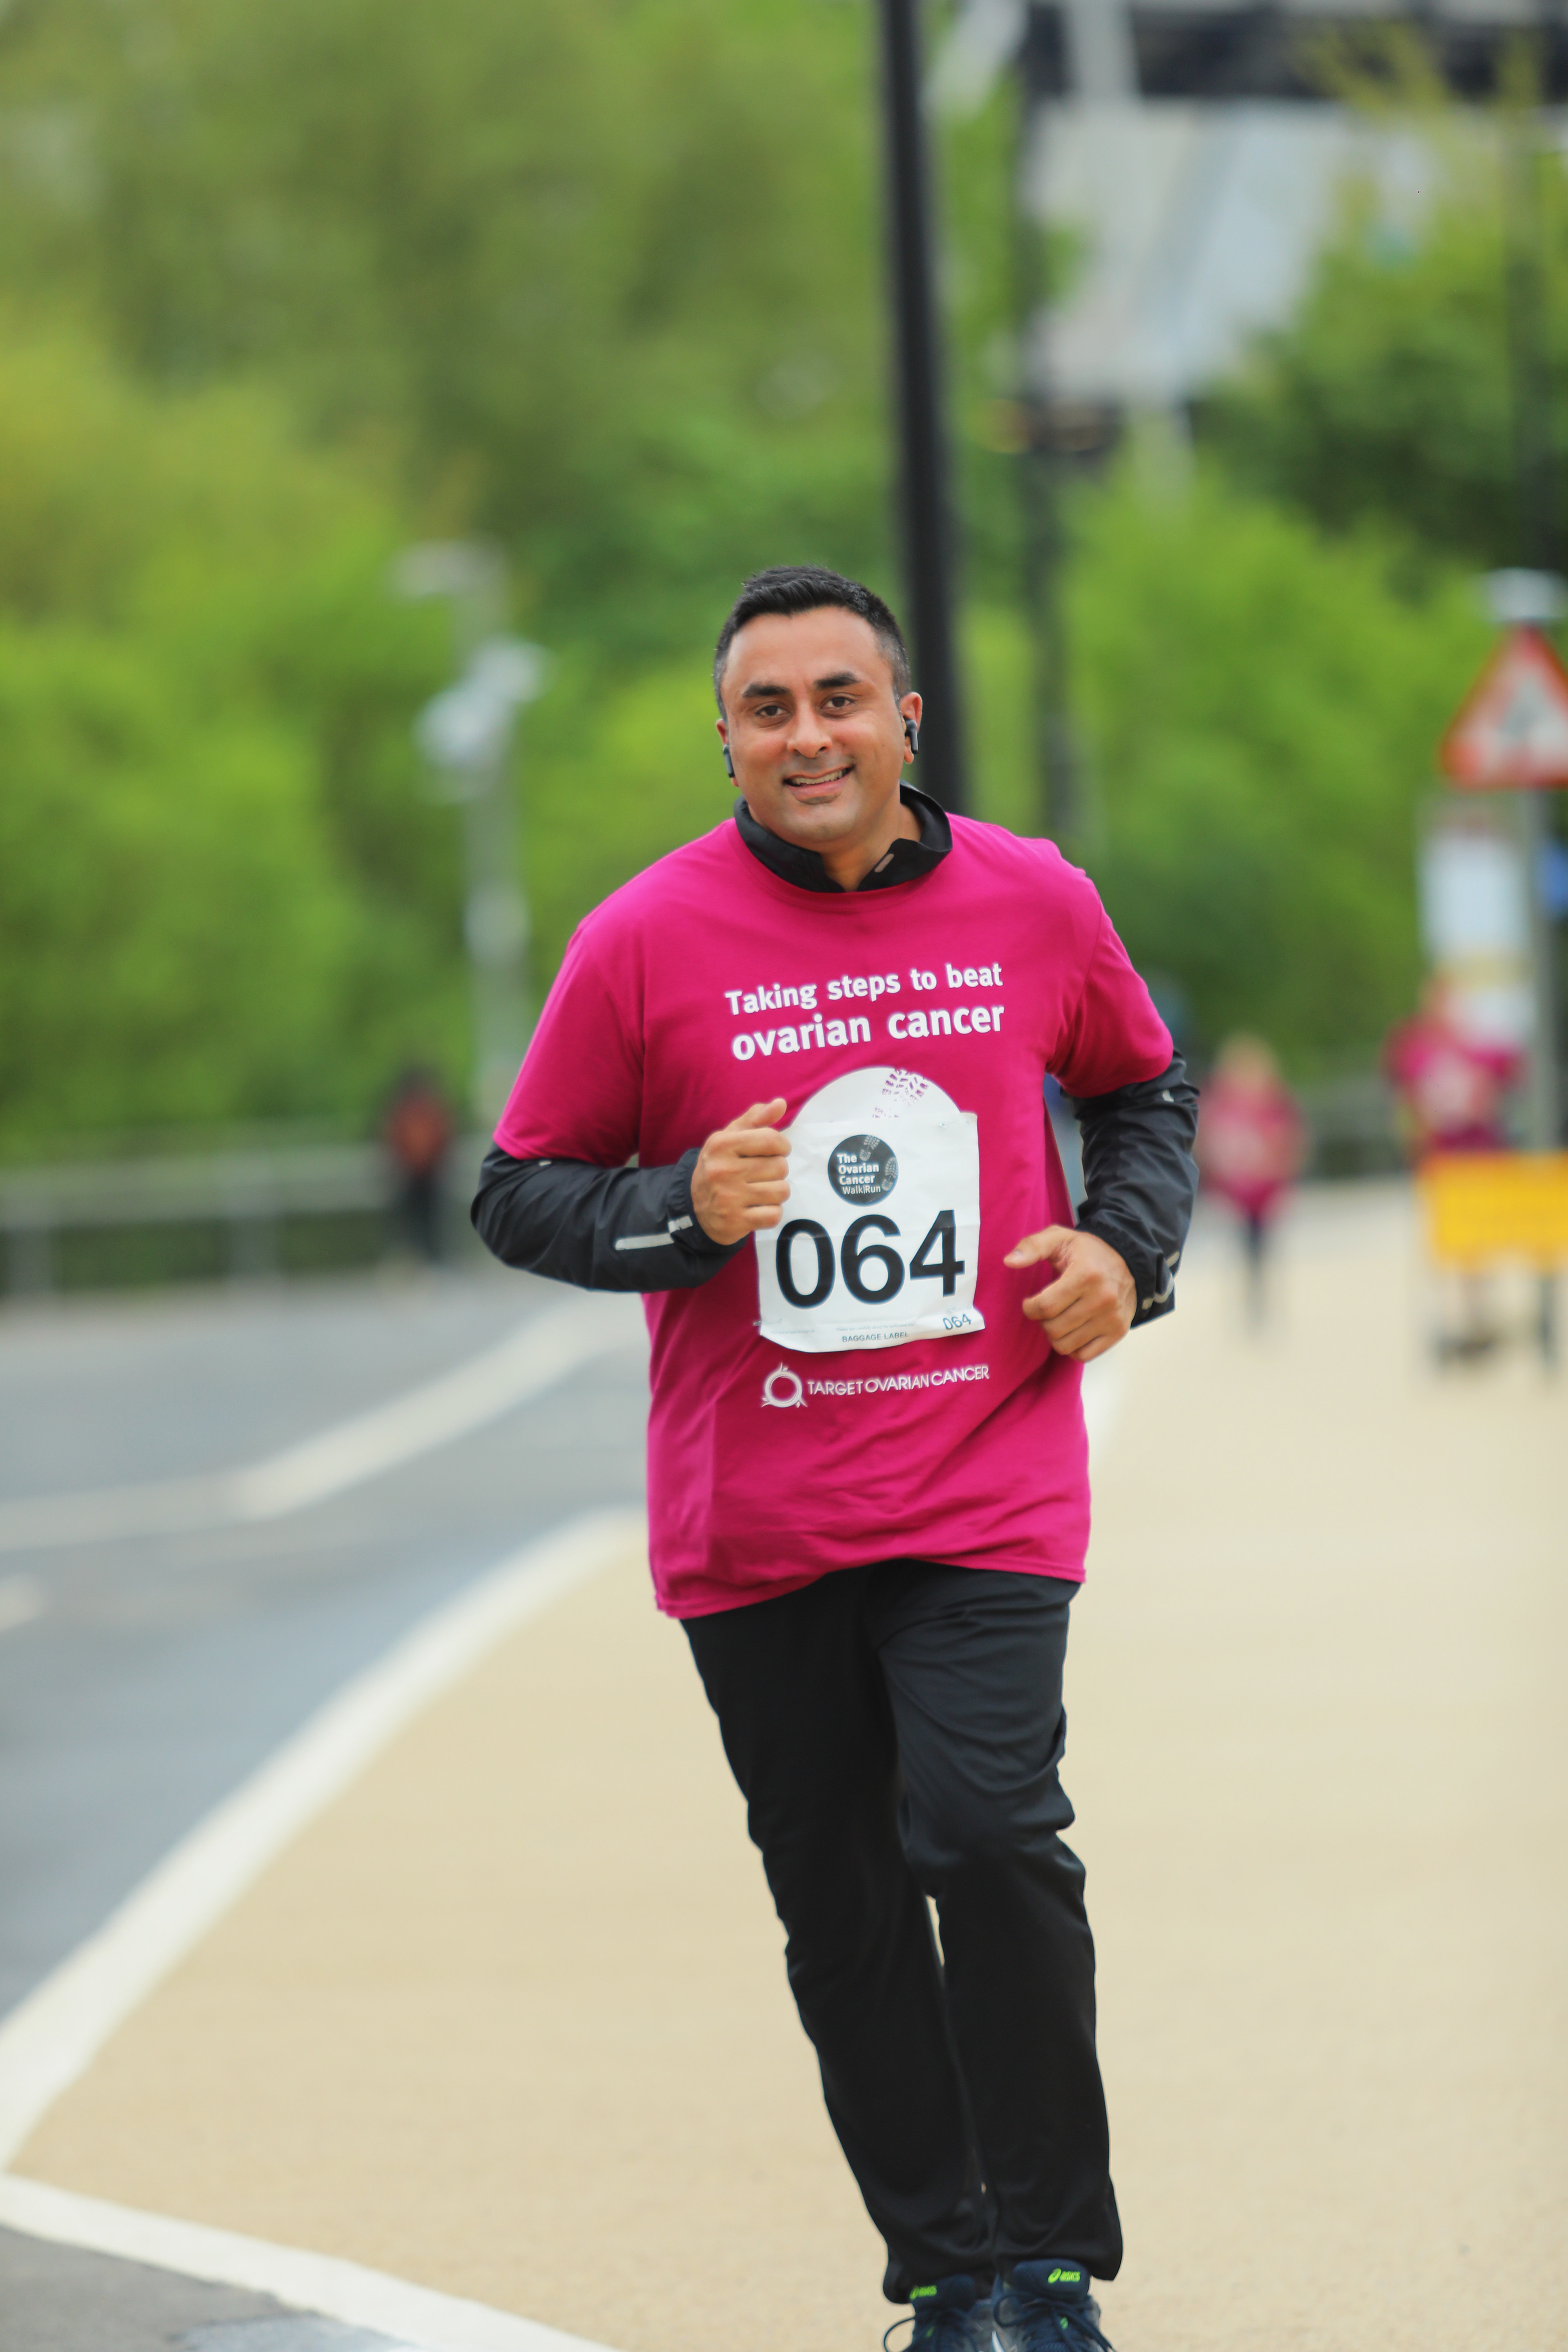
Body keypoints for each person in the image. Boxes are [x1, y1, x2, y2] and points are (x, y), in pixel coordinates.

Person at [472, 567, 1198, 2352]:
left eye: (839, 698)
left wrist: (1125, 1252)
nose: (808, 736)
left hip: (982, 1476)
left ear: (903, 719)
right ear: (725, 739)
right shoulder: (641, 940)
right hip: (758, 1515)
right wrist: (676, 1207)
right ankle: (947, 2275)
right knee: (845, 1907)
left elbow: (1141, 1090)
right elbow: (517, 1190)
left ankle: (1049, 2270)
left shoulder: (1034, 899)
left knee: (990, 1833)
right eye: (768, 709)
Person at [1195, 1034, 1305, 1325]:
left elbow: (1290, 1144)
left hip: (1266, 1192)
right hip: (1231, 1195)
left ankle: (1260, 1302)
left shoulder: (1273, 1103)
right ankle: (1245, 1304)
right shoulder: (1218, 1105)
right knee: (1237, 1251)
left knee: (1263, 1250)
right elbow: (1205, 1144)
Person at [383, 1067, 454, 1263]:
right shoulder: (423, 1110)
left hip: (426, 1174)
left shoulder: (409, 1111)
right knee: (414, 1219)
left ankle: (428, 1257)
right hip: (414, 1174)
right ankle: (417, 1256)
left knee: (427, 1218)